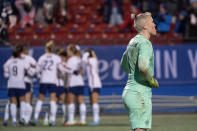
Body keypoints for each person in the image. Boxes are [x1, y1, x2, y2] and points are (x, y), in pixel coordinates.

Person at [120, 12, 159, 131]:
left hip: (130, 91)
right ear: (145, 26)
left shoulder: (132, 42)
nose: (155, 25)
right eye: (152, 22)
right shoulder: (145, 43)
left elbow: (123, 65)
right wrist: (150, 80)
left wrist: (134, 75)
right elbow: (143, 67)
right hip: (139, 94)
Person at [3, 46, 34, 126]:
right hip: (20, 83)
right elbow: (31, 72)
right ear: (20, 54)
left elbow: (6, 75)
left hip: (11, 84)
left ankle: (13, 121)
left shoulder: (8, 62)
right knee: (22, 100)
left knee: (13, 102)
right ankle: (22, 118)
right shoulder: (23, 62)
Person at [33, 40, 60, 126]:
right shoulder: (56, 58)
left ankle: (35, 119)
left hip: (43, 80)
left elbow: (37, 71)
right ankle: (52, 120)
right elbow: (60, 69)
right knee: (52, 100)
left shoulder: (42, 57)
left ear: (47, 48)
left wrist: (38, 76)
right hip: (53, 81)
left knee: (40, 100)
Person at [64, 44, 86, 126]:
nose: (67, 51)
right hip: (80, 82)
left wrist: (63, 65)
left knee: (71, 102)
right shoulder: (79, 59)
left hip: (73, 83)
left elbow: (68, 70)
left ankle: (71, 120)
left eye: (68, 50)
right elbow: (82, 72)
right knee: (81, 102)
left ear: (71, 51)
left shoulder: (70, 60)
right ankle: (83, 120)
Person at [82, 48, 102, 126]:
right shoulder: (91, 60)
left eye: (86, 53)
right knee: (92, 102)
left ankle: (96, 119)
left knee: (94, 102)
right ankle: (96, 118)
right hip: (92, 84)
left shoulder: (92, 60)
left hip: (95, 83)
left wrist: (86, 54)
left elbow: (83, 60)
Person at [19, 45, 36, 125]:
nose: (28, 51)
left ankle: (22, 118)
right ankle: (26, 120)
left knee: (21, 101)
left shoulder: (15, 58)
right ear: (24, 50)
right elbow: (36, 68)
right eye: (27, 49)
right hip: (27, 80)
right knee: (28, 101)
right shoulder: (29, 58)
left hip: (17, 81)